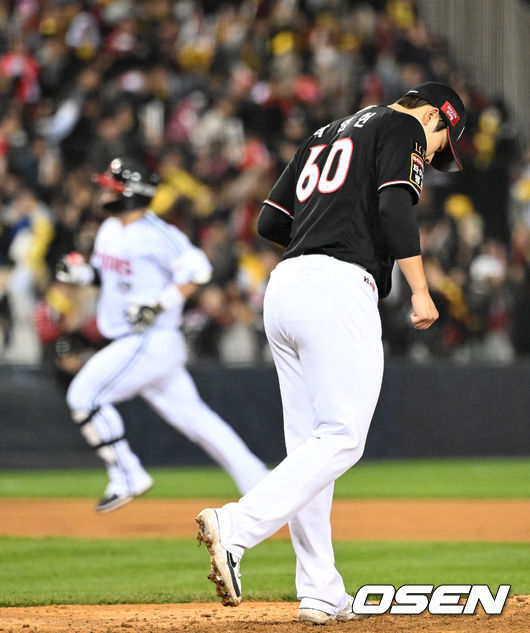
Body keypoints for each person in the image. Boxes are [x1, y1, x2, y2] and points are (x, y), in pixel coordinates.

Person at [196, 82, 466, 622]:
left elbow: (270, 222)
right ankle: (238, 526)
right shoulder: (404, 126)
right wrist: (419, 288)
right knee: (343, 437)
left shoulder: (323, 133)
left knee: (311, 450)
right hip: (338, 289)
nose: (436, 153)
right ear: (437, 115)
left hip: (287, 286)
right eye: (443, 141)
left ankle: (320, 590)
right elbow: (394, 205)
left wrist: (324, 231)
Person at [58, 157, 268, 513]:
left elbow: (198, 271)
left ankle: (127, 474)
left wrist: (158, 305)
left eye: (112, 188)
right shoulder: (110, 229)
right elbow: (108, 278)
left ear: (131, 194)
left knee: (84, 395)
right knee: (200, 422)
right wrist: (83, 275)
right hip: (137, 341)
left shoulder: (158, 234)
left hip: (149, 338)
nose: (103, 193)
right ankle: (262, 485)